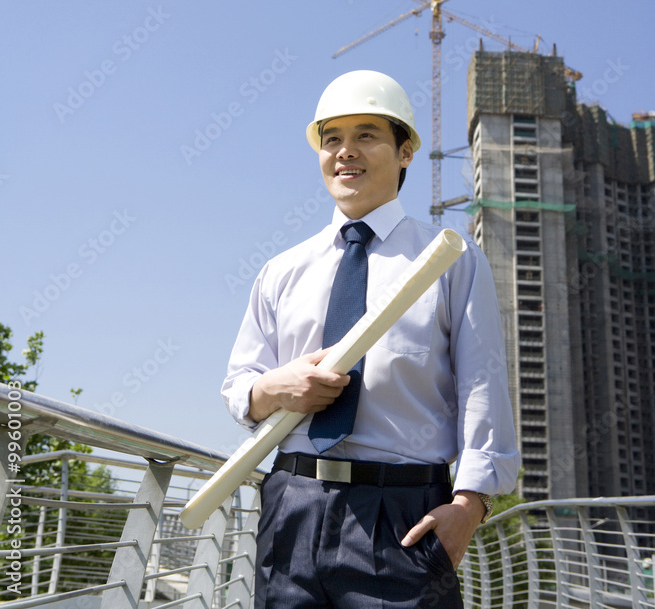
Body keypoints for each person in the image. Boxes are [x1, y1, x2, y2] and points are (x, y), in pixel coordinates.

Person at [222, 70, 520, 608]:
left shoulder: (450, 259)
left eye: (366, 135)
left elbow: (483, 383)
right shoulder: (281, 271)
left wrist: (470, 505)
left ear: (405, 152)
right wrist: (276, 388)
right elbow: (239, 387)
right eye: (331, 138)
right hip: (292, 506)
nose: (345, 152)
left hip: (402, 515)